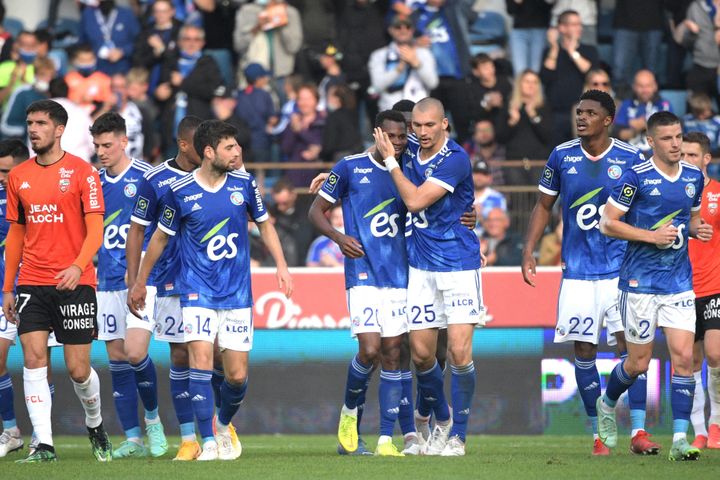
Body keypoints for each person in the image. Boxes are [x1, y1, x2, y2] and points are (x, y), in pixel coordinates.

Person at [129, 120, 293, 461]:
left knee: (236, 376)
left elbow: (265, 226)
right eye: (230, 147)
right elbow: (159, 237)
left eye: (237, 146)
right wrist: (141, 280)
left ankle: (221, 424)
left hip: (236, 292)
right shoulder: (181, 191)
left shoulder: (245, 184)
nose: (238, 153)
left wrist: (281, 265)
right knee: (198, 362)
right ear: (209, 152)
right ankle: (204, 442)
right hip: (195, 289)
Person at [521, 89, 656, 456]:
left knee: (632, 349)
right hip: (578, 271)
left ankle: (639, 432)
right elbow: (543, 205)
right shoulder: (561, 156)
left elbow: (646, 208)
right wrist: (529, 250)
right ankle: (599, 435)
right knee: (584, 349)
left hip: (621, 271)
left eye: (590, 113)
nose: (581, 117)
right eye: (579, 112)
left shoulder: (631, 158)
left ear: (607, 119)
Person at [596, 111, 712, 461]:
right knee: (638, 363)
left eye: (678, 136)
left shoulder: (694, 178)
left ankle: (679, 438)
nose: (676, 144)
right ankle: (607, 402)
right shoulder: (637, 178)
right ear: (651, 142)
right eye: (667, 138)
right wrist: (651, 236)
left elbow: (689, 219)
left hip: (678, 283)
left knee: (684, 358)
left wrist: (696, 229)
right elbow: (607, 223)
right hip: (639, 284)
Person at [1, 99, 112, 462]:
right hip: (32, 282)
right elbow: (17, 234)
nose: (33, 129)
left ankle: (94, 422)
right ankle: (44, 444)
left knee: (79, 370)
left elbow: (96, 228)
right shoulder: (19, 176)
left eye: (41, 124)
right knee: (34, 360)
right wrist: (8, 287)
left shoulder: (83, 173)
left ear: (60, 129)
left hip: (76, 283)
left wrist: (79, 266)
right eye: (30, 123)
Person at [373, 97, 482, 456]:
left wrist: (390, 161)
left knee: (459, 353)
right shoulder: (405, 157)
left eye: (429, 126)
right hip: (421, 266)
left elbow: (417, 201)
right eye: (416, 127)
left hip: (458, 265)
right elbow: (371, 165)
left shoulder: (455, 159)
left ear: (444, 124)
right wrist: (335, 176)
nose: (421, 133)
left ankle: (458, 437)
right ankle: (444, 420)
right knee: (421, 356)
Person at [310, 110, 420, 457]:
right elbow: (315, 212)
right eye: (392, 137)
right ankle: (348, 415)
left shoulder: (410, 169)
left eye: (403, 137)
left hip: (400, 275)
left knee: (392, 354)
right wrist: (338, 237)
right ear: (377, 134)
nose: (398, 144)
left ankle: (386, 440)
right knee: (370, 349)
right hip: (362, 272)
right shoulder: (349, 167)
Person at [124, 115, 204, 461]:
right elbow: (138, 230)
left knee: (199, 355)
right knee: (153, 353)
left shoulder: (216, 175)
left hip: (200, 279)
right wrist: (134, 280)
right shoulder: (155, 180)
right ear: (184, 144)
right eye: (203, 145)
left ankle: (205, 432)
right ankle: (170, 428)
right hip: (161, 279)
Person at [90, 112, 169, 459]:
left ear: (124, 142)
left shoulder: (148, 178)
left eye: (107, 145)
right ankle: (133, 439)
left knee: (136, 352)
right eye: (96, 146)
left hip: (141, 282)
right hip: (106, 281)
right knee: (117, 360)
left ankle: (152, 420)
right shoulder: (92, 182)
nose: (101, 152)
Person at [682, 132, 720, 449]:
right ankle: (699, 430)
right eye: (683, 155)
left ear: (706, 159)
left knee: (715, 353)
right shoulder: (671, 195)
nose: (686, 161)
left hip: (715, 286)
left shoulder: (718, 194)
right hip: (681, 290)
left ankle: (716, 421)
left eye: (692, 156)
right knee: (690, 362)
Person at [0, 139, 29, 458]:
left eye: (7, 171)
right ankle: (11, 430)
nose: (2, 177)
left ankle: (94, 426)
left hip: (39, 287)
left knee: (67, 368)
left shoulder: (37, 195)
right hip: (5, 291)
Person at [540, 9, 598, 144]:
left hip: (582, 113)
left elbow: (593, 74)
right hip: (555, 113)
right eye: (574, 24)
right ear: (562, 27)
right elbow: (545, 77)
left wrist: (573, 52)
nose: (579, 28)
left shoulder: (589, 50)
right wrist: (554, 48)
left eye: (579, 24)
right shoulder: (550, 52)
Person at [368, 15, 438, 112]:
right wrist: (399, 68)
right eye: (398, 27)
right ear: (390, 30)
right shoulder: (379, 55)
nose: (403, 30)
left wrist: (416, 63)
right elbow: (377, 86)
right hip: (391, 111)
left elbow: (433, 83)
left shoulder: (424, 53)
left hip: (419, 112)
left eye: (407, 27)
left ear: (412, 30)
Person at [495, 69, 553, 186]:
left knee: (540, 202)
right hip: (514, 163)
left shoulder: (544, 107)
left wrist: (534, 116)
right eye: (527, 81)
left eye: (535, 82)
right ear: (519, 84)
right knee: (518, 202)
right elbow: (500, 138)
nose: (531, 85)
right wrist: (512, 122)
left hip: (539, 163)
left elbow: (548, 137)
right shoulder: (509, 107)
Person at [614, 70, 672, 156]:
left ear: (655, 86)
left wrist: (646, 125)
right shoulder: (626, 105)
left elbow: (669, 133)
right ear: (634, 87)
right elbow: (617, 134)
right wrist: (634, 131)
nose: (645, 90)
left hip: (656, 156)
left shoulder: (663, 105)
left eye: (648, 86)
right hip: (630, 155)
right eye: (641, 86)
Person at [79, 0, 140, 76]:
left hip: (123, 70)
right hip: (96, 70)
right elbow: (82, 43)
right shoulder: (88, 14)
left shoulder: (126, 14)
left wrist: (123, 51)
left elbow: (139, 42)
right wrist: (97, 50)